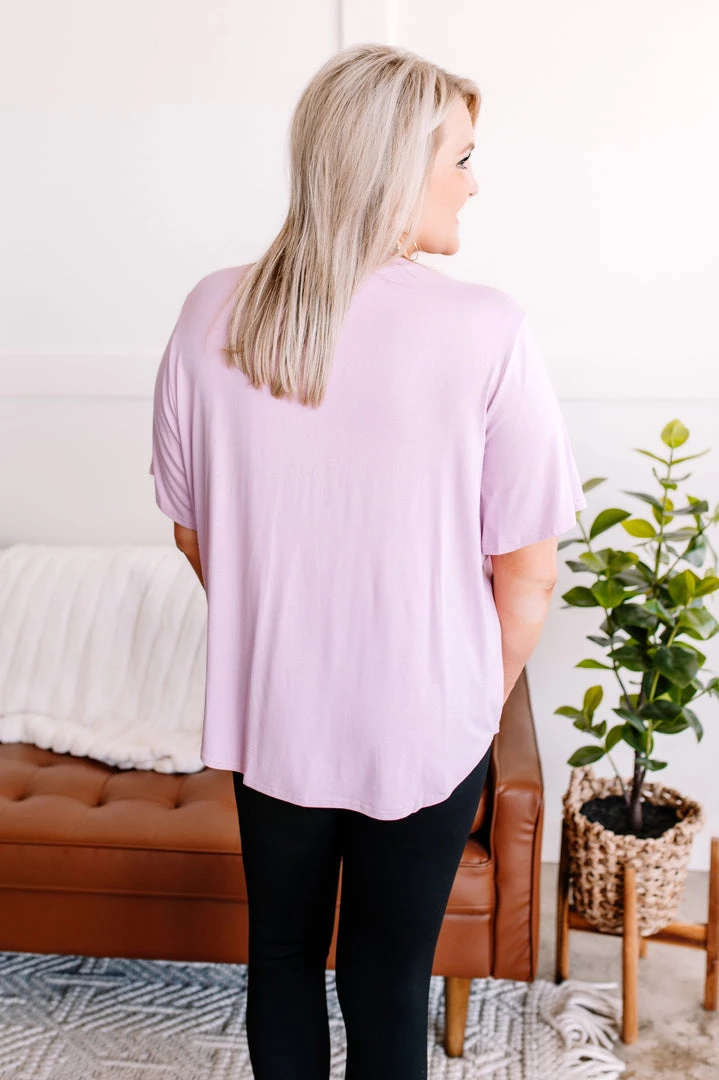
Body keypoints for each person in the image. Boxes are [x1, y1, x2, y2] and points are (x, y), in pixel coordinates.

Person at [150, 42, 587, 1080]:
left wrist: (287, 631)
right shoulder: (486, 329)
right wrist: (468, 700)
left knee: (281, 960)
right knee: (387, 988)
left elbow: (193, 532)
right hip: (425, 719)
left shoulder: (210, 309)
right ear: (395, 166)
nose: (473, 184)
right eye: (461, 159)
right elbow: (527, 574)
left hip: (274, 710)